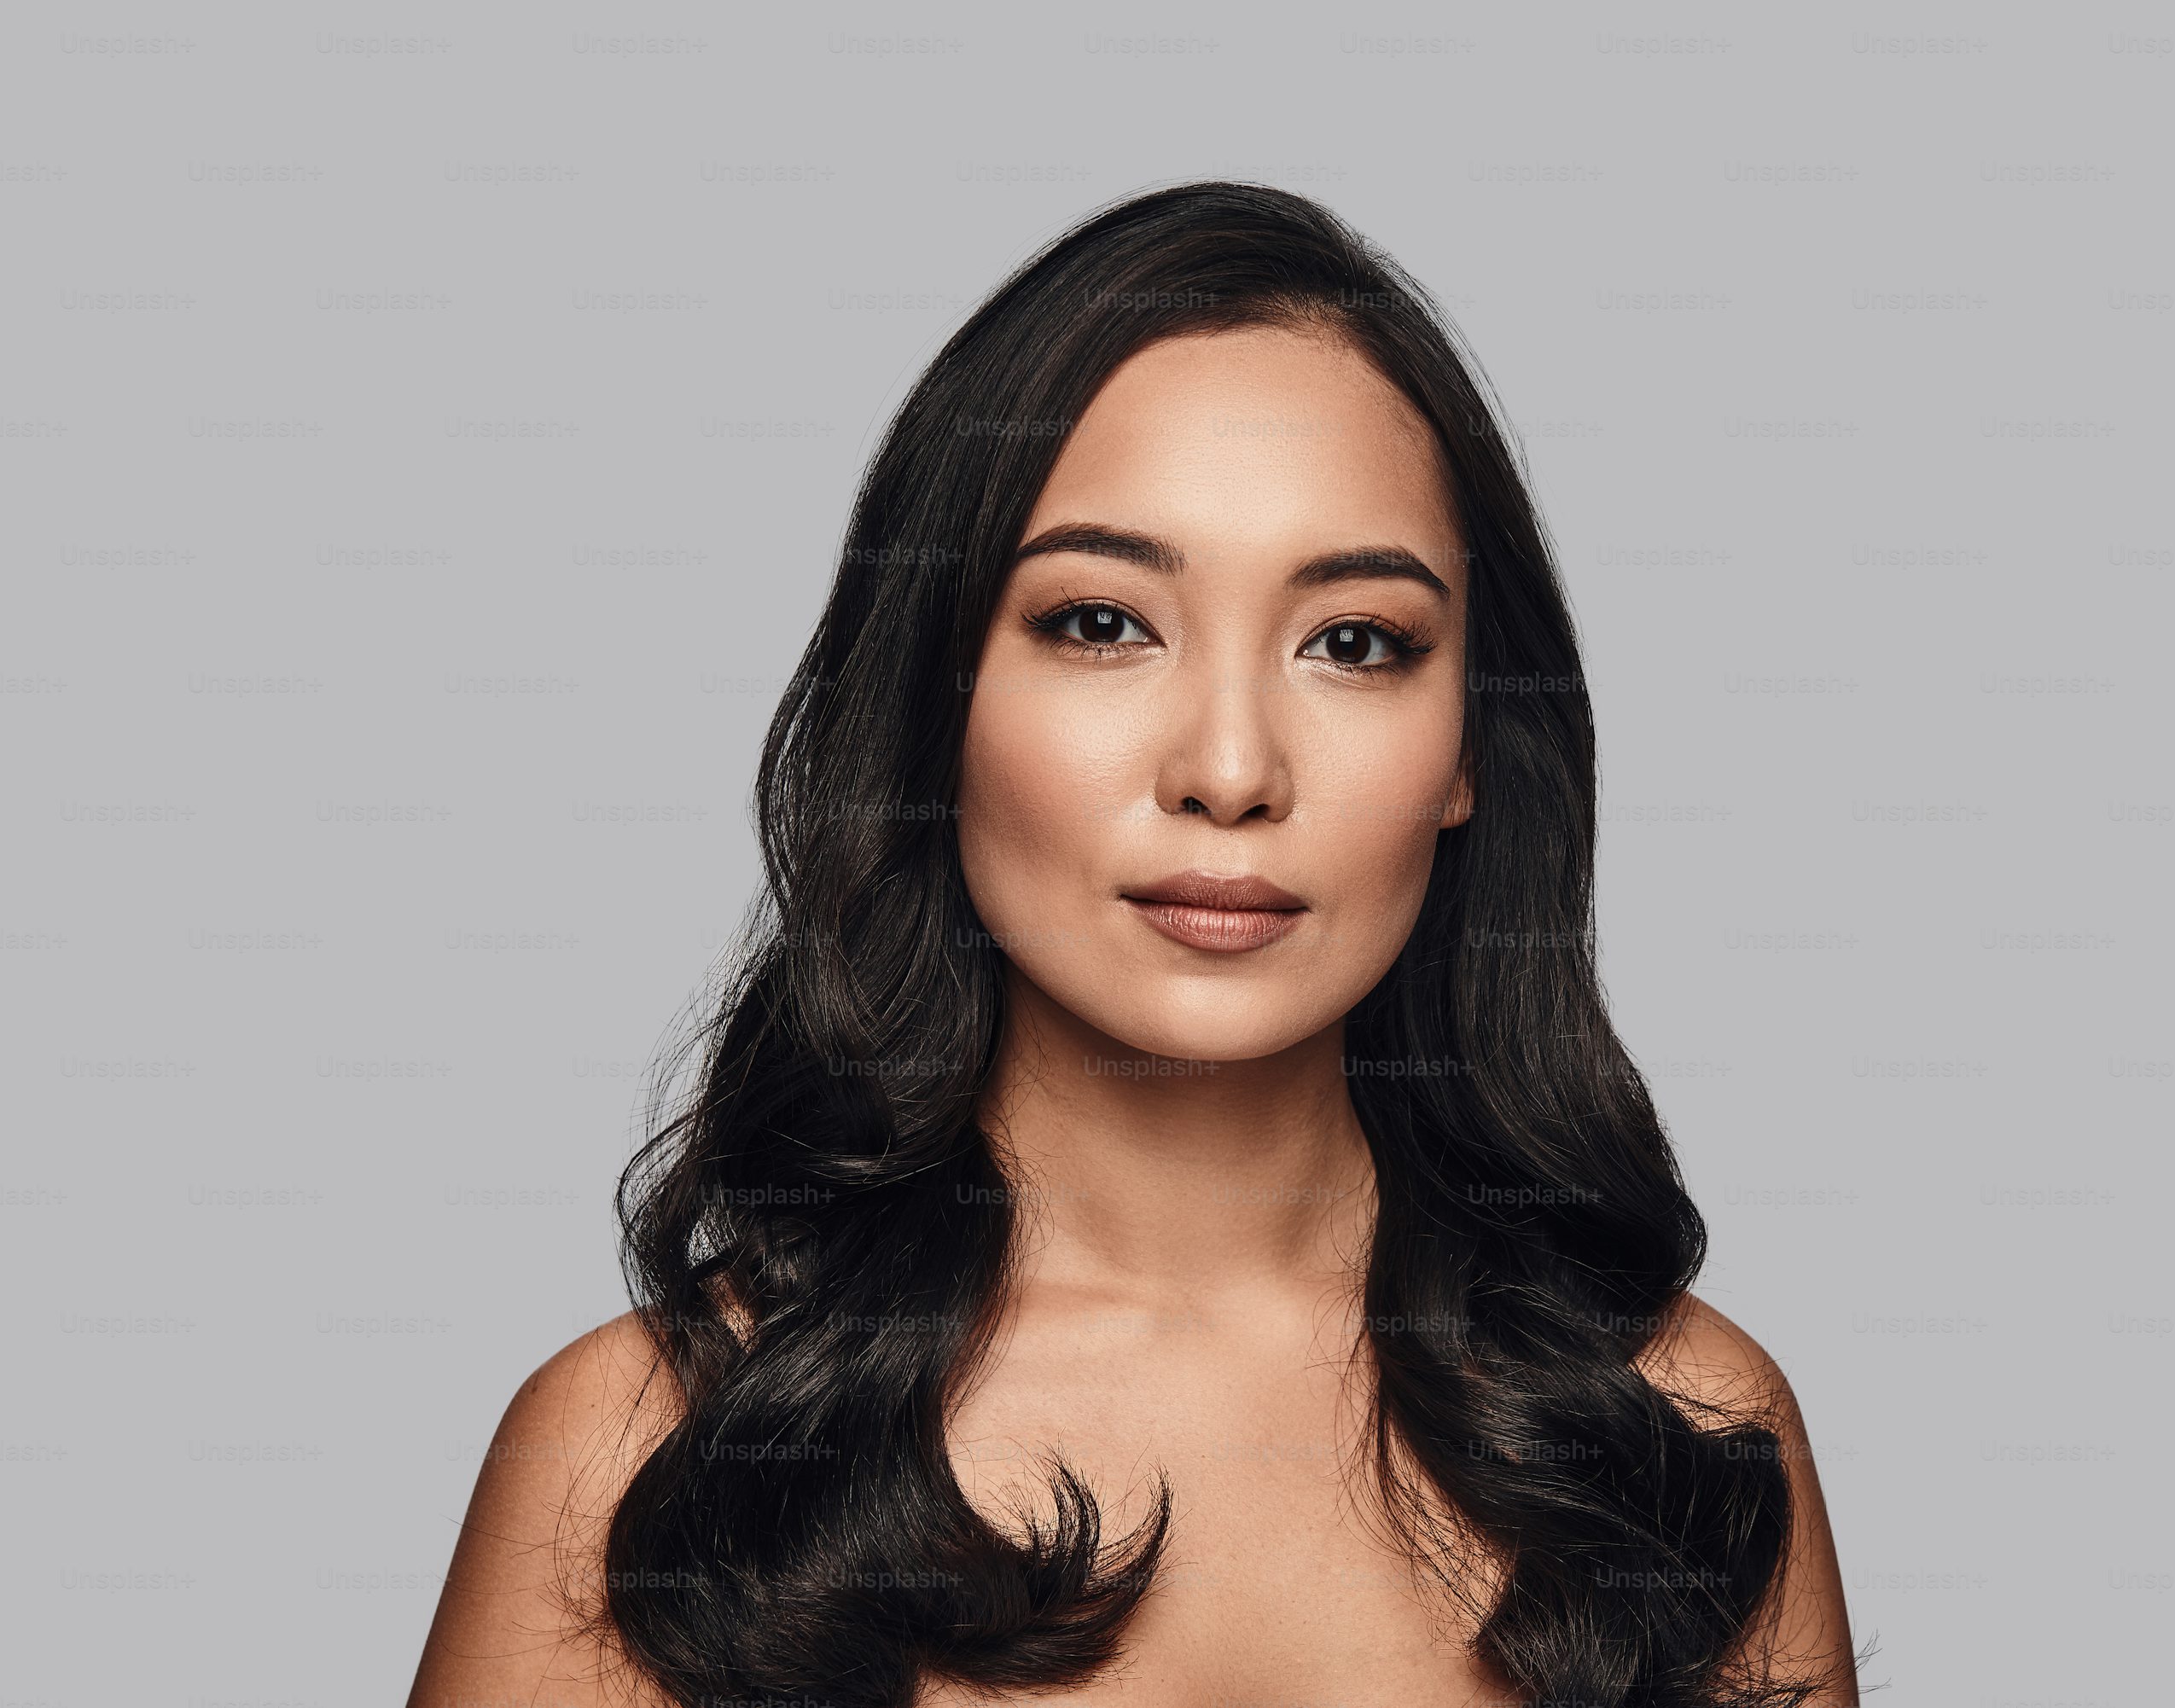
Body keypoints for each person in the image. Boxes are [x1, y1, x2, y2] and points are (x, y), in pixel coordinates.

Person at [408, 180, 1858, 1708]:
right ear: (937, 699)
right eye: (1103, 624)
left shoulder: (1672, 1436)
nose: (1230, 769)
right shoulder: (647, 1455)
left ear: (1470, 749)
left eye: (1354, 642)